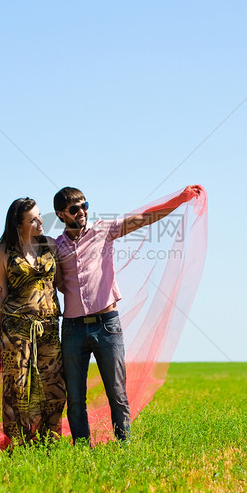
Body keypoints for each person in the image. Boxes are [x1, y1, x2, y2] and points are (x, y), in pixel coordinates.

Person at [53, 185, 203, 444]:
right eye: (74, 209)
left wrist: (181, 199)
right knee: (75, 399)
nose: (82, 212)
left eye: (84, 206)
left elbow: (145, 218)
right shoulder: (55, 248)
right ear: (61, 215)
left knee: (117, 393)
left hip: (106, 325)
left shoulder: (103, 230)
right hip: (72, 329)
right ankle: (81, 451)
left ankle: (124, 447)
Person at [0, 197, 66, 445]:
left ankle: (49, 442)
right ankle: (17, 445)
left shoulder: (51, 246)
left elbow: (62, 283)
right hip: (15, 328)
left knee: (54, 388)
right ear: (18, 224)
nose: (40, 222)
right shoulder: (2, 252)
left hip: (48, 326)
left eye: (39, 216)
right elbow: (0, 295)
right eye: (32, 219)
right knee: (17, 391)